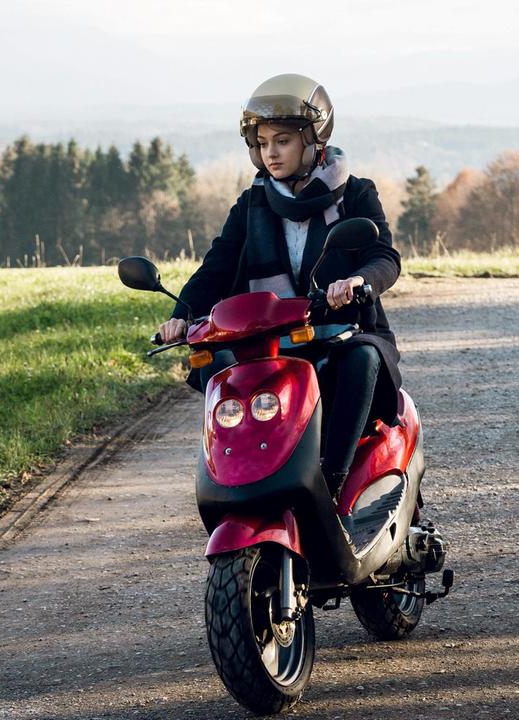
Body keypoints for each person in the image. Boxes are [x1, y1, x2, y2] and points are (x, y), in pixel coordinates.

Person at [156, 73, 403, 499]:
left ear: (313, 139)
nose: (270, 152)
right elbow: (216, 267)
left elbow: (384, 257)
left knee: (363, 357)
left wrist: (360, 281)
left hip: (340, 333)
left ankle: (331, 484)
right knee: (216, 361)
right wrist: (181, 314)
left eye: (283, 140)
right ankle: (240, 475)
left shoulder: (355, 194)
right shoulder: (252, 203)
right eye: (263, 142)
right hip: (268, 341)